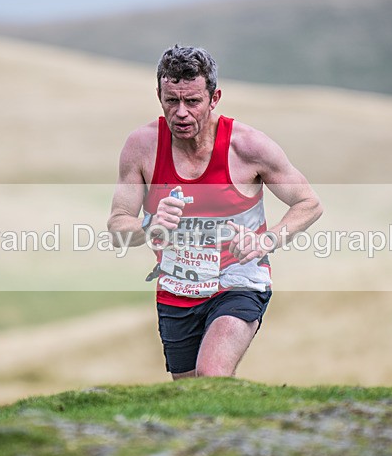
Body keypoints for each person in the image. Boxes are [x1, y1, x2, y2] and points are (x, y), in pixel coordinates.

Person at [108, 45, 322, 380]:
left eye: (192, 101)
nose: (181, 112)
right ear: (159, 95)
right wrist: (150, 225)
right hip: (177, 290)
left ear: (214, 97)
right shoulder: (141, 147)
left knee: (211, 374)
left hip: (239, 282)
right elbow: (118, 226)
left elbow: (308, 203)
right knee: (189, 393)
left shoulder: (248, 147)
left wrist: (267, 240)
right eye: (171, 100)